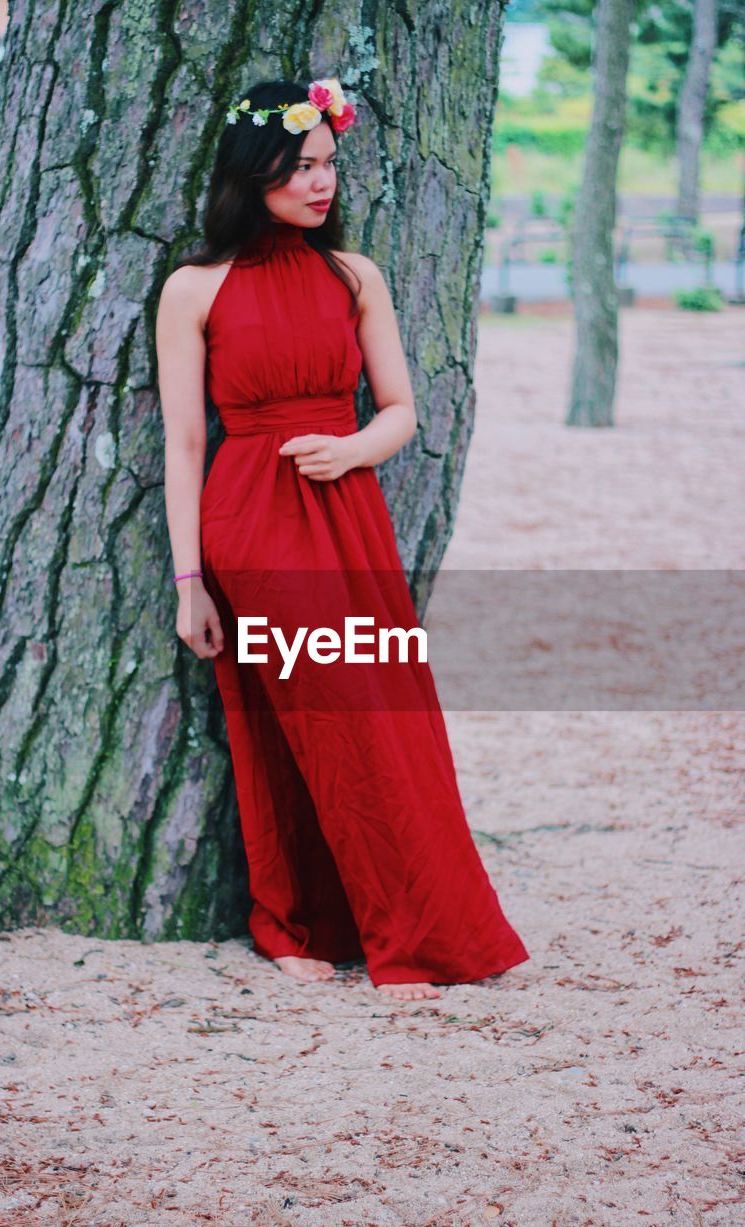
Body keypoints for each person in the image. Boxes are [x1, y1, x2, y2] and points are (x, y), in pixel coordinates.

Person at [155, 77, 530, 1001]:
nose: (321, 184)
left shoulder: (352, 274)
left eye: (328, 165)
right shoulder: (194, 288)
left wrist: (352, 445)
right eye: (300, 167)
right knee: (326, 724)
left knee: (382, 716)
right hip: (253, 521)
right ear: (254, 173)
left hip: (350, 510)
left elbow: (400, 409)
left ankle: (346, 923)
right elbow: (185, 440)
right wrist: (188, 581)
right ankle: (338, 928)